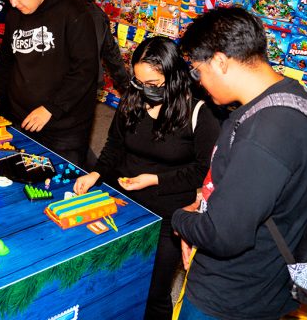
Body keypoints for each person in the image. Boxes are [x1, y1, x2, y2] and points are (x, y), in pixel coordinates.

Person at [171, 7, 307, 319]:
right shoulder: (290, 95)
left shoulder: (265, 132)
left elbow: (223, 235)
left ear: (220, 62)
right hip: (264, 283)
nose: (198, 82)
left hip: (229, 296)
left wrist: (180, 219)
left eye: (197, 71)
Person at [73, 36, 220, 320]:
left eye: (153, 84)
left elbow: (203, 170)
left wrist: (154, 179)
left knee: (154, 291)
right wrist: (96, 173)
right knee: (113, 277)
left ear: (175, 77)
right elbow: (114, 145)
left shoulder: (201, 113)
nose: (144, 90)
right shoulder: (133, 98)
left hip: (168, 213)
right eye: (139, 82)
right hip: (123, 202)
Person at [0, 0, 99, 167]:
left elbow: (85, 70)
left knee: (61, 179)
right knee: (18, 174)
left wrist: (51, 108)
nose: (13, 3)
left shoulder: (74, 10)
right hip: (20, 117)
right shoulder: (15, 12)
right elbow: (7, 61)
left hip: (64, 125)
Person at [61, 0, 129, 95]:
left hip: (68, 82)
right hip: (90, 82)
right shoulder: (97, 13)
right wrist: (124, 84)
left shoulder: (62, 12)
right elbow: (111, 52)